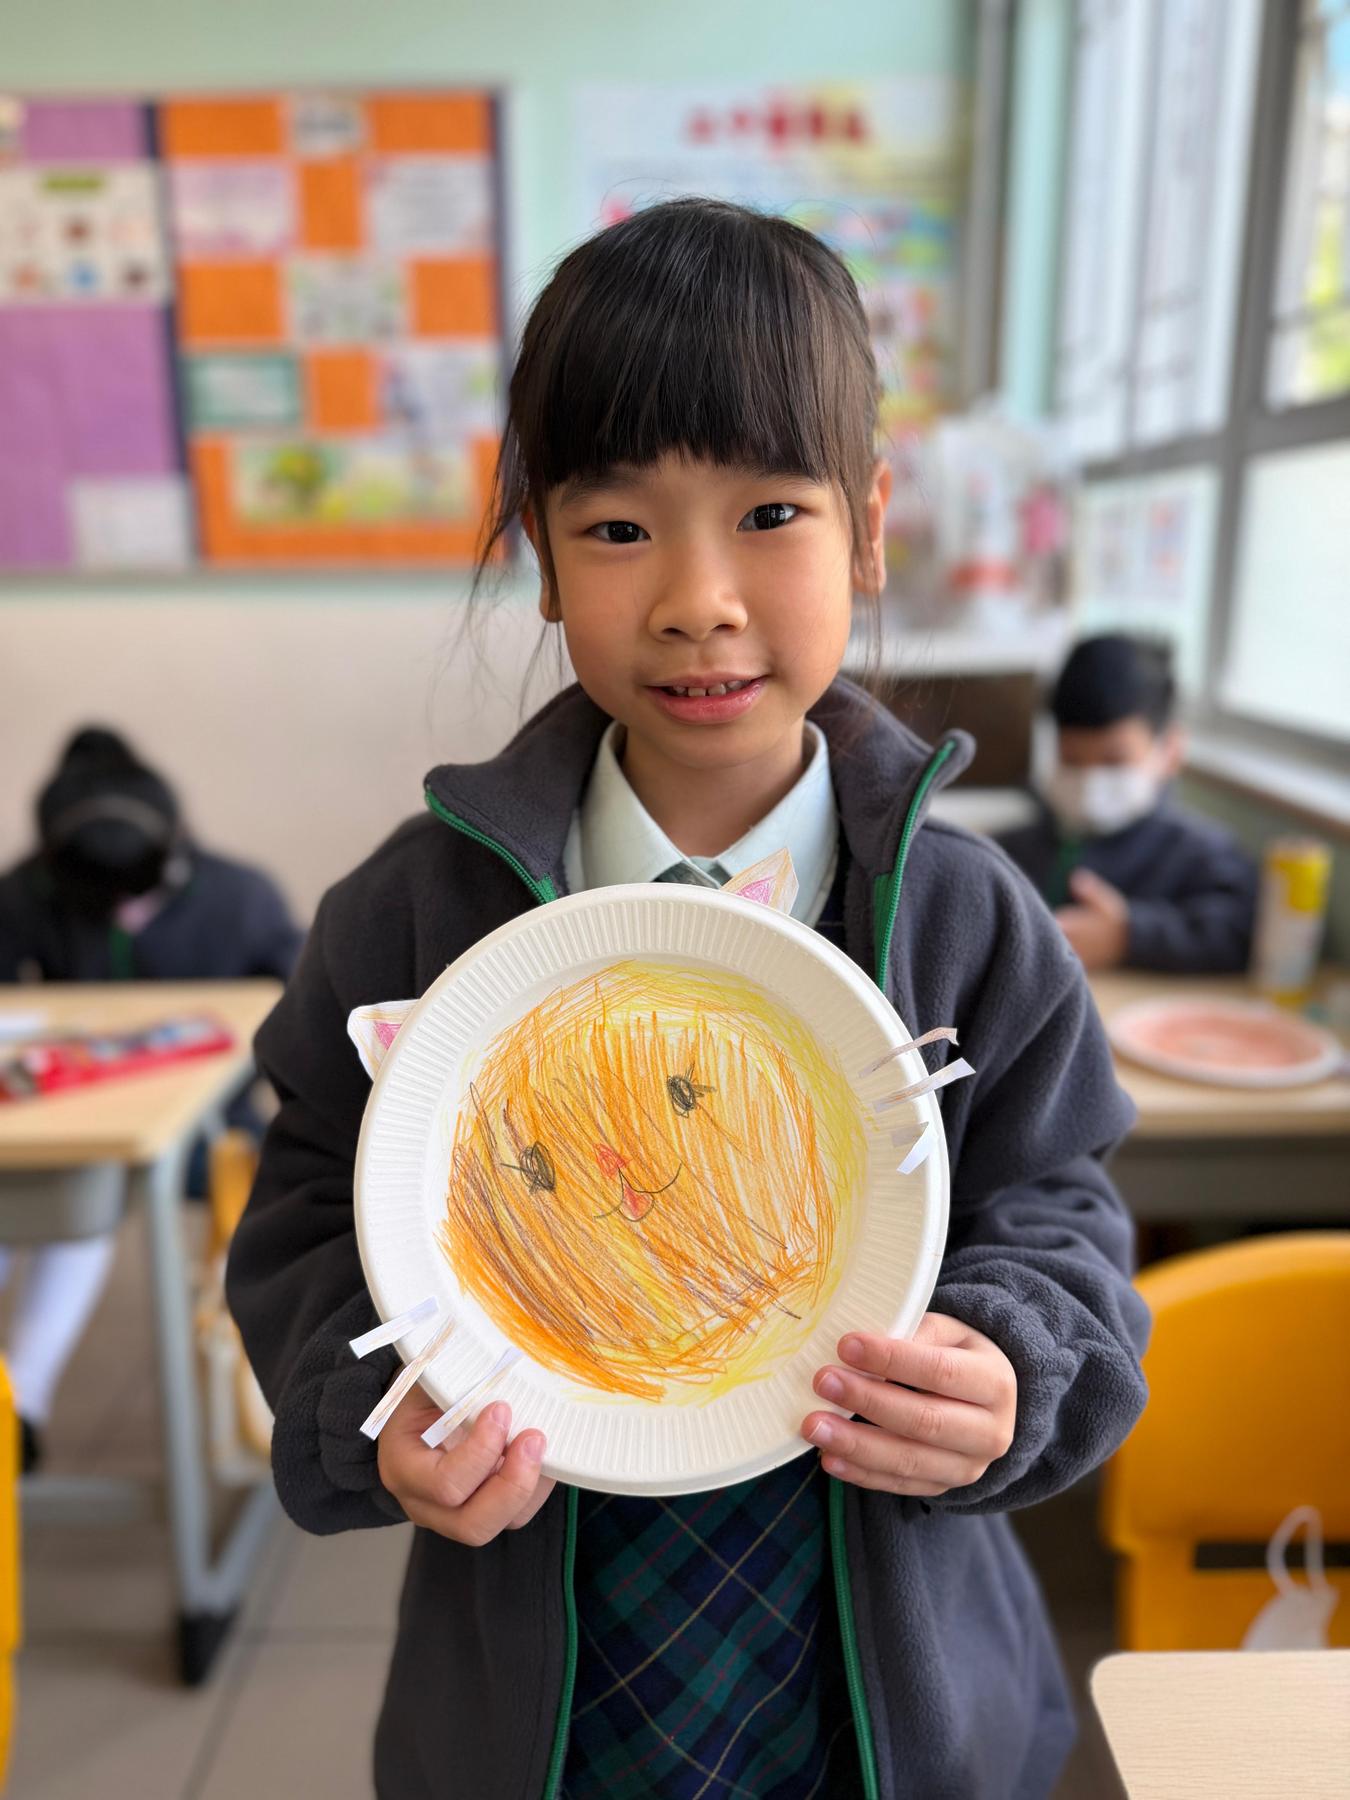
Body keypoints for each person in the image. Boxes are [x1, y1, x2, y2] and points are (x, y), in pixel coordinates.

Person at [226, 199, 1149, 1800]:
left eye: (769, 512)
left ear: (867, 529)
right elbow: (309, 1199)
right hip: (554, 1697)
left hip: (877, 1694)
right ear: (537, 553)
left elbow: (1058, 1204)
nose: (696, 598)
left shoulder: (961, 914)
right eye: (616, 529)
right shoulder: (410, 914)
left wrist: (1009, 1364)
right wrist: (371, 1405)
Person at [0, 726, 302, 1469]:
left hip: (207, 1133)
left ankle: (25, 1394)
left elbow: (304, 1017)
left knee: (85, 1198)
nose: (120, 914)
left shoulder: (240, 896)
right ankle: (20, 1405)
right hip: (71, 1127)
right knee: (40, 1194)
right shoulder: (24, 896)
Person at [998, 634, 1259, 973]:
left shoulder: (1202, 854)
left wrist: (1130, 935)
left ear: (1171, 750)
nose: (1090, 782)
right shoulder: (1014, 849)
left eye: (1114, 761)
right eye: (1072, 760)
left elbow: (1245, 929)